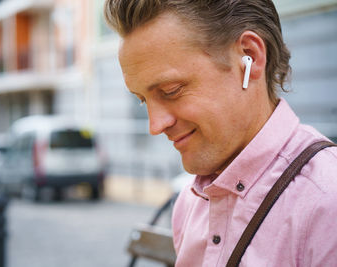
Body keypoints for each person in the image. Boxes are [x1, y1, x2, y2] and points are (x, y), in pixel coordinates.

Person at [104, 0, 337, 266]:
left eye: (171, 90)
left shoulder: (327, 202)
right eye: (143, 100)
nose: (155, 125)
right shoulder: (189, 204)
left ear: (250, 56)